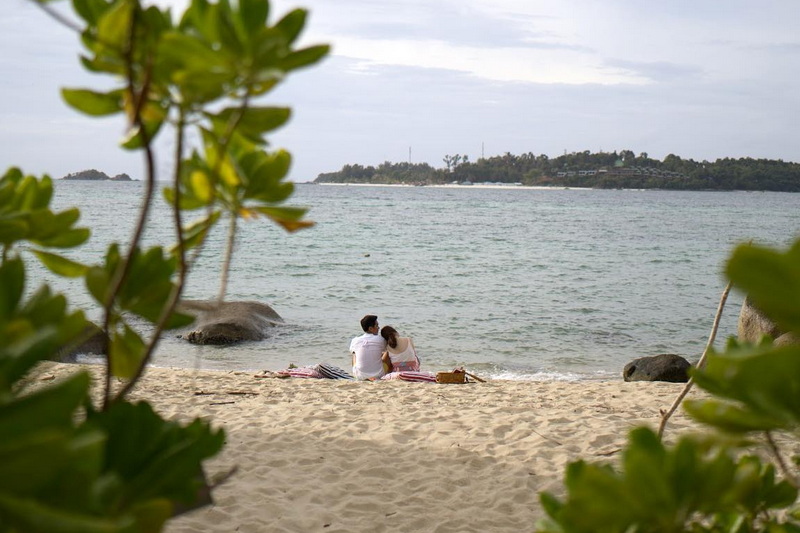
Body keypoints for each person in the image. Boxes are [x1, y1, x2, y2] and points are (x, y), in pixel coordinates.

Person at [349, 315, 387, 380]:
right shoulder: (381, 339)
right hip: (378, 375)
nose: (378, 328)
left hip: (359, 376)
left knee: (354, 353)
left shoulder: (355, 340)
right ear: (370, 329)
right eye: (377, 325)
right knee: (387, 352)